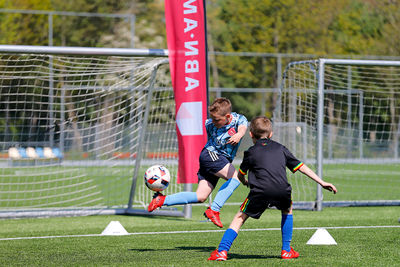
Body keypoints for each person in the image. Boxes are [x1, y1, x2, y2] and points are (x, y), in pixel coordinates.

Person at [208, 116, 337, 261]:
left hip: (260, 191)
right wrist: (322, 182)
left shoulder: (250, 152)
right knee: (287, 210)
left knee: (240, 217)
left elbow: (241, 174)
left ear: (251, 135)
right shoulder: (281, 148)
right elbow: (301, 167)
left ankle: (222, 251)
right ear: (271, 134)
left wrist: (245, 182)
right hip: (282, 190)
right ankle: (286, 250)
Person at [148, 97, 248, 228]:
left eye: (217, 119)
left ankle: (162, 200)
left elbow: (243, 127)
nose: (214, 122)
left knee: (201, 196)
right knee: (235, 178)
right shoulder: (210, 124)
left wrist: (239, 134)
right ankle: (214, 210)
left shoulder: (239, 119)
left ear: (228, 116)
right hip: (211, 155)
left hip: (215, 159)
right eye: (212, 118)